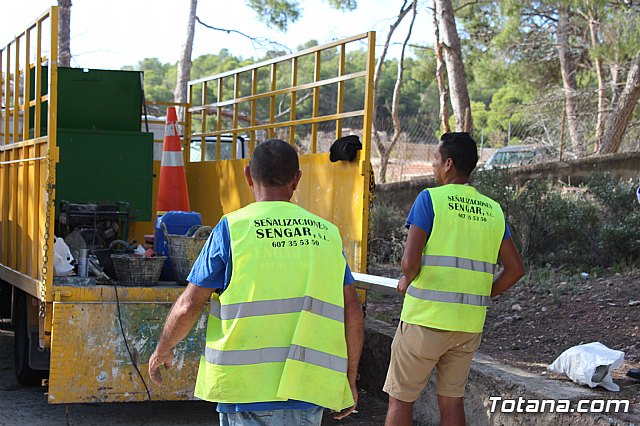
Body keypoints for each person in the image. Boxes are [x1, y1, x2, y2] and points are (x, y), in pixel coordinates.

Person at [149, 138, 364, 426]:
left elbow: (190, 304)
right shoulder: (327, 234)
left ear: (249, 176)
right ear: (296, 180)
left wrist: (163, 348)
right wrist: (349, 380)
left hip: (246, 391)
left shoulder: (232, 229)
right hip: (310, 390)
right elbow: (352, 311)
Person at [383, 132, 525, 426]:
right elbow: (515, 270)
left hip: (425, 320)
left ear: (448, 163)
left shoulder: (429, 199)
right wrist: (484, 294)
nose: (433, 165)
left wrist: (406, 280)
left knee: (401, 398)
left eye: (435, 159)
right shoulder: (493, 210)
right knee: (451, 401)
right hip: (467, 325)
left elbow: (410, 261)